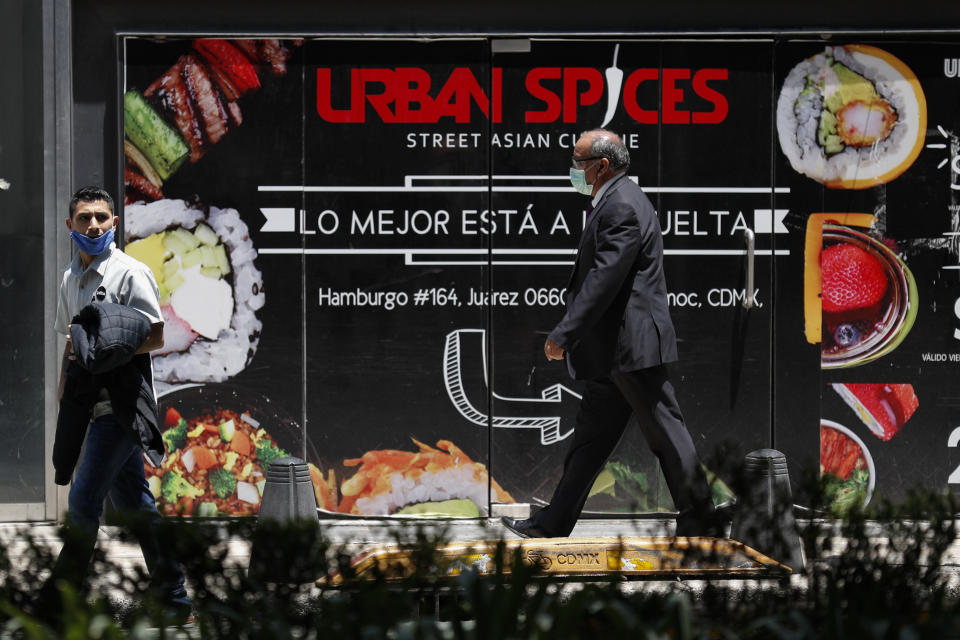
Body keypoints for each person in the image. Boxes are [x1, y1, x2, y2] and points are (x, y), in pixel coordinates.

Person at [501, 130, 722, 539]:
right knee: (590, 443)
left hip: (630, 347)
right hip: (614, 351)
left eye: (578, 161)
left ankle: (702, 519)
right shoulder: (615, 200)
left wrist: (565, 332)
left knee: (666, 434)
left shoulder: (621, 206)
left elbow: (606, 279)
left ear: (601, 166)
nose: (573, 170)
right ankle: (553, 522)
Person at [42, 186, 191, 622]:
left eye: (101, 218)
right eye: (84, 218)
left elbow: (157, 335)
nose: (93, 225)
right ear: (70, 225)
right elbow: (73, 343)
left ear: (114, 223)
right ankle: (174, 599)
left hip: (123, 407)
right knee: (136, 504)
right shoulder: (70, 279)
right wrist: (66, 391)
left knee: (85, 500)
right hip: (89, 406)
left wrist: (112, 347)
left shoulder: (131, 273)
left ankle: (61, 602)